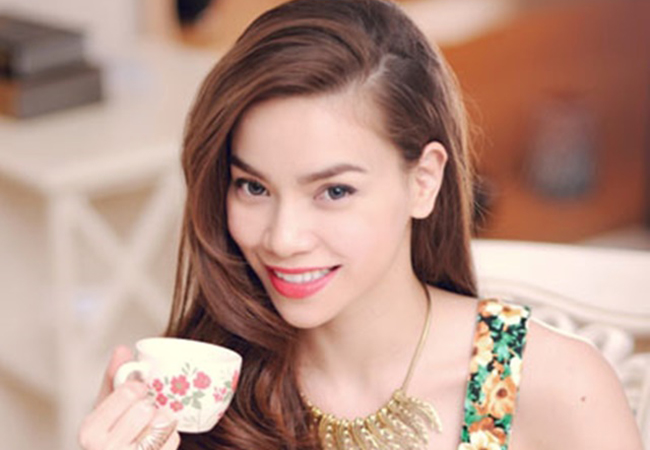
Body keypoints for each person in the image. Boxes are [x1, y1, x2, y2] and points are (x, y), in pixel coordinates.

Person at [78, 0, 644, 449]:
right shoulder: (209, 386)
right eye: (253, 186)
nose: (283, 238)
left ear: (424, 181)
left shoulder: (556, 386)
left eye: (334, 191)